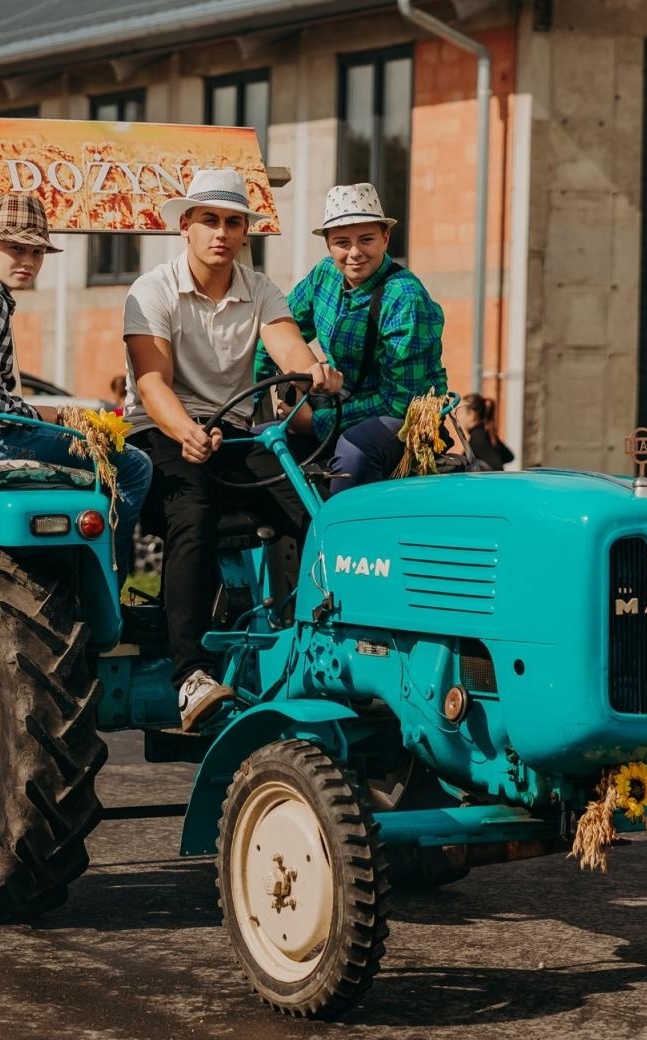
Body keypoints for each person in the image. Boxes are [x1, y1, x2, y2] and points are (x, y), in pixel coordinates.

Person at [123, 168, 342, 731]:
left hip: (237, 434)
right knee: (191, 515)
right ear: (187, 228)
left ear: (246, 232)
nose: (222, 232)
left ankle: (323, 645)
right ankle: (191, 676)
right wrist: (184, 431)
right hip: (161, 433)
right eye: (211, 221)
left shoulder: (259, 288)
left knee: (315, 508)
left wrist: (313, 371)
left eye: (234, 222)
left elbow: (288, 346)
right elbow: (151, 382)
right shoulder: (151, 291)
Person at [0, 190, 150, 578]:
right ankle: (110, 579)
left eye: (36, 252)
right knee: (134, 466)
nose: (27, 261)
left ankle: (75, 569)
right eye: (15, 248)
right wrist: (51, 414)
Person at [258, 183, 447, 495]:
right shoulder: (323, 276)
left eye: (367, 239)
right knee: (259, 441)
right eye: (342, 242)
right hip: (341, 403)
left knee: (354, 451)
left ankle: (350, 540)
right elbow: (278, 329)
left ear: (386, 238)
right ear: (329, 245)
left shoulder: (404, 297)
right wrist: (253, 403)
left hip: (404, 415)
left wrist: (314, 423)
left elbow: (401, 400)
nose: (355, 252)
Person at [458, 394, 505, 471]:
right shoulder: (485, 433)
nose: (458, 417)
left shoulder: (478, 438)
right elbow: (508, 456)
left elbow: (497, 467)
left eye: (459, 413)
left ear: (471, 415)